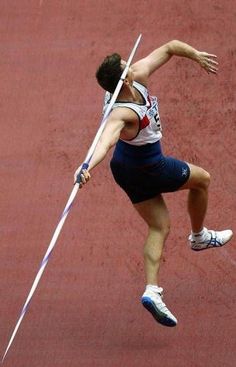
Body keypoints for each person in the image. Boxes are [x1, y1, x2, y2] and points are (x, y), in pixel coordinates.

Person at [74, 40, 233, 327]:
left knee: (159, 225)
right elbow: (105, 140)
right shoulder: (120, 112)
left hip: (124, 166)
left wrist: (195, 54)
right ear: (122, 82)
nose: (131, 64)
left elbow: (170, 47)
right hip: (148, 167)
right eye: (126, 65)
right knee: (203, 180)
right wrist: (86, 166)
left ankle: (151, 291)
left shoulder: (137, 75)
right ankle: (198, 237)